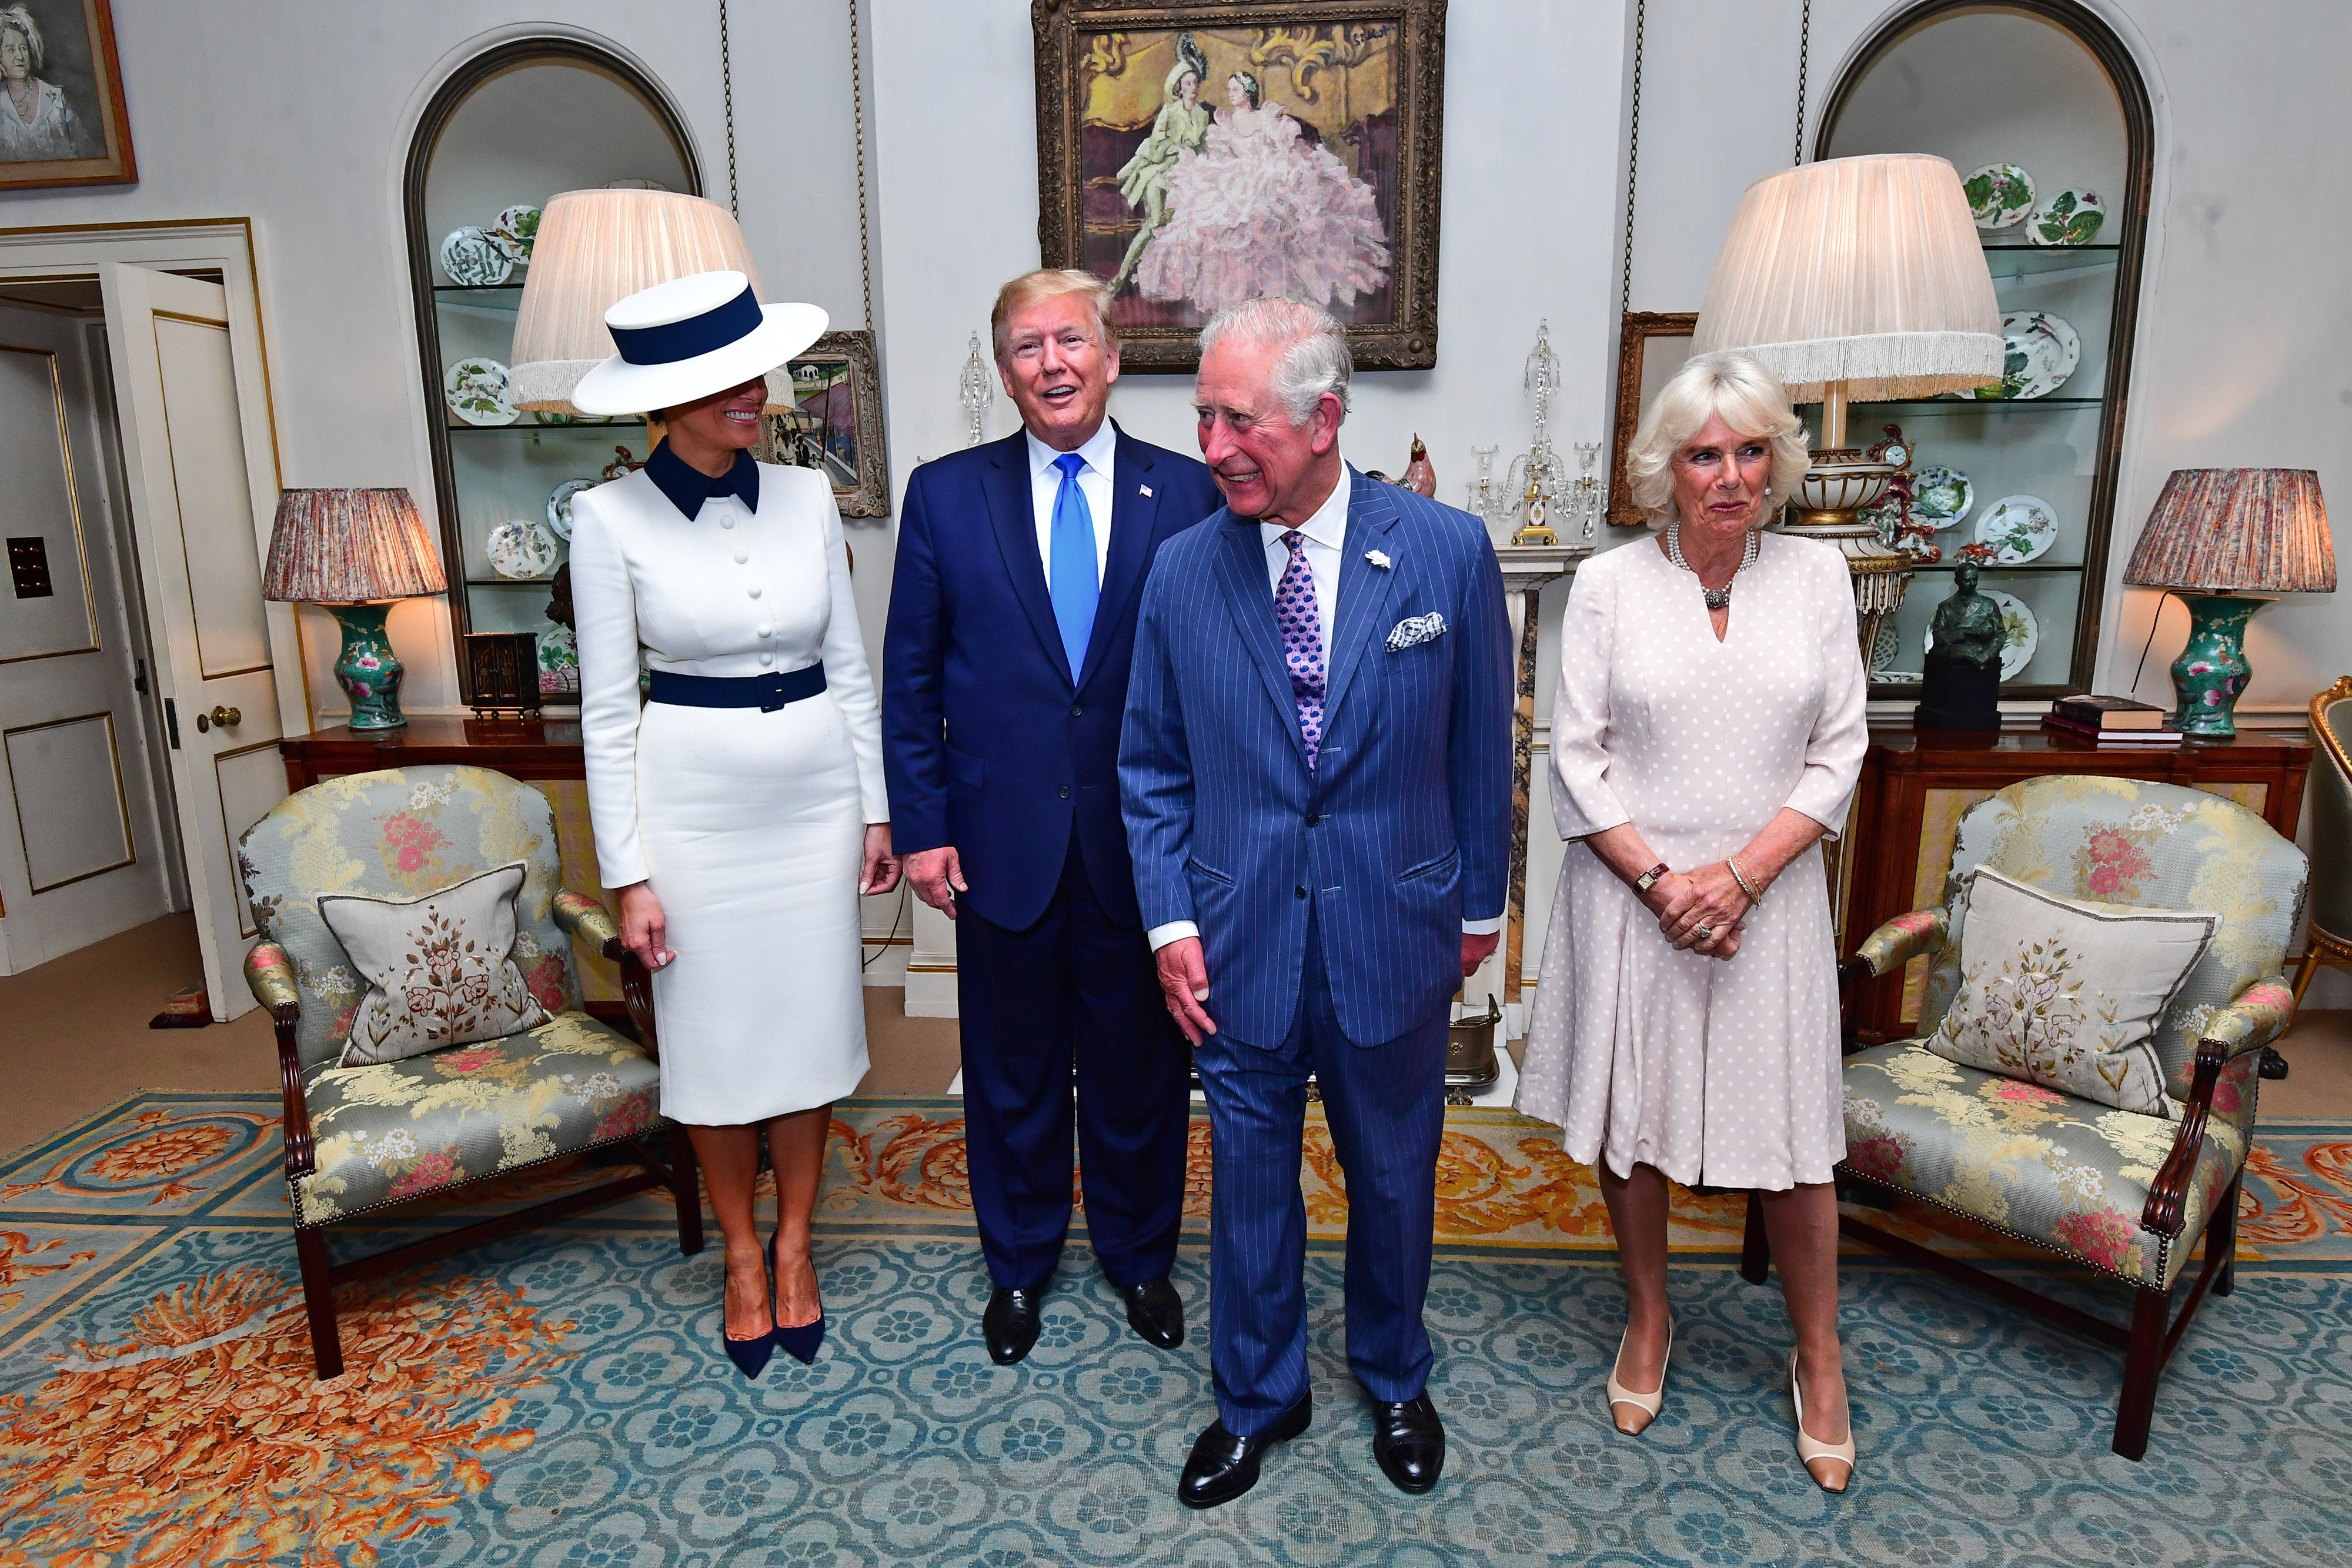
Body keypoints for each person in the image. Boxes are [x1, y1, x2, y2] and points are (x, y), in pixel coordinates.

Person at [1121, 298, 1512, 1507]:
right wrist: (1171, 923)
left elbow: (1478, 746)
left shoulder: (1442, 550)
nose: (1214, 445)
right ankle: (1256, 1394)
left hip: (1392, 926)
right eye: (1202, 417)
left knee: (1393, 1173)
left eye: (1240, 420)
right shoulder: (1183, 569)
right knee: (1247, 1180)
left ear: (1324, 418)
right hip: (1236, 936)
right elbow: (1149, 765)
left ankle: (1394, 1370)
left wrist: (1480, 907)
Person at [1514, 350, 1869, 1492]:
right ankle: (1648, 1319)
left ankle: (1818, 1358)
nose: (1726, 474)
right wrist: (1667, 882)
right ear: (1663, 468)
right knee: (1636, 1121)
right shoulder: (1611, 583)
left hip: (1767, 902)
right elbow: (1576, 756)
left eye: (1748, 450)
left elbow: (1839, 750)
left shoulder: (1818, 576)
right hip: (1637, 903)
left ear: (1777, 462)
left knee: (1796, 1141)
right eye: (1703, 454)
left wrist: (1742, 877)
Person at [882, 269, 1221, 1366]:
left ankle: (1138, 1256)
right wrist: (924, 823)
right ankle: (1019, 1263)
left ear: (1114, 356)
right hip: (997, 843)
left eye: (1070, 341)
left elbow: (1220, 680)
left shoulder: (1193, 494)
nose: (1053, 365)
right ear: (1004, 371)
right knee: (1012, 1068)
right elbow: (912, 677)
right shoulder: (944, 495)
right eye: (1027, 348)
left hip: (1144, 848)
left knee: (1141, 1070)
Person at [571, 270, 898, 1381]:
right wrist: (631, 876)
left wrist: (874, 807)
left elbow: (849, 668)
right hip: (694, 814)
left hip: (813, 800)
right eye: (725, 381)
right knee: (715, 1043)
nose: (754, 392)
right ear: (664, 402)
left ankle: (800, 1239)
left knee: (804, 1036)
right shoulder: (604, 517)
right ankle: (743, 1254)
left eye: (754, 372)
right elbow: (609, 713)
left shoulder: (808, 497)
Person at [1134, 72, 1389, 316]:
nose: (1230, 94)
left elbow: (1283, 147)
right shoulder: (1225, 122)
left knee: (1273, 211)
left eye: (1235, 89)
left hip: (1267, 171)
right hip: (1235, 176)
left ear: (1248, 92)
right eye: (1230, 90)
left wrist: (1273, 165)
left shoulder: (1265, 117)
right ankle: (1231, 287)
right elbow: (1222, 156)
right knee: (1211, 216)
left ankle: (1274, 286)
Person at [1108, 35, 1211, 295]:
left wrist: (1200, 159)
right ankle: (1120, 279)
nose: (1193, 87)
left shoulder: (1202, 115)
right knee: (1153, 225)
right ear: (1179, 87)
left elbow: (1203, 148)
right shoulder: (1170, 111)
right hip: (1159, 172)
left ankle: (1179, 283)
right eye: (1188, 83)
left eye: (1195, 82)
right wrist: (1176, 148)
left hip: (1188, 176)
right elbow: (1156, 145)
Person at [0, 5, 93, 162]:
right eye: (10, 49)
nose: (20, 56)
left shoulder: (55, 98)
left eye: (23, 48)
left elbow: (85, 149)